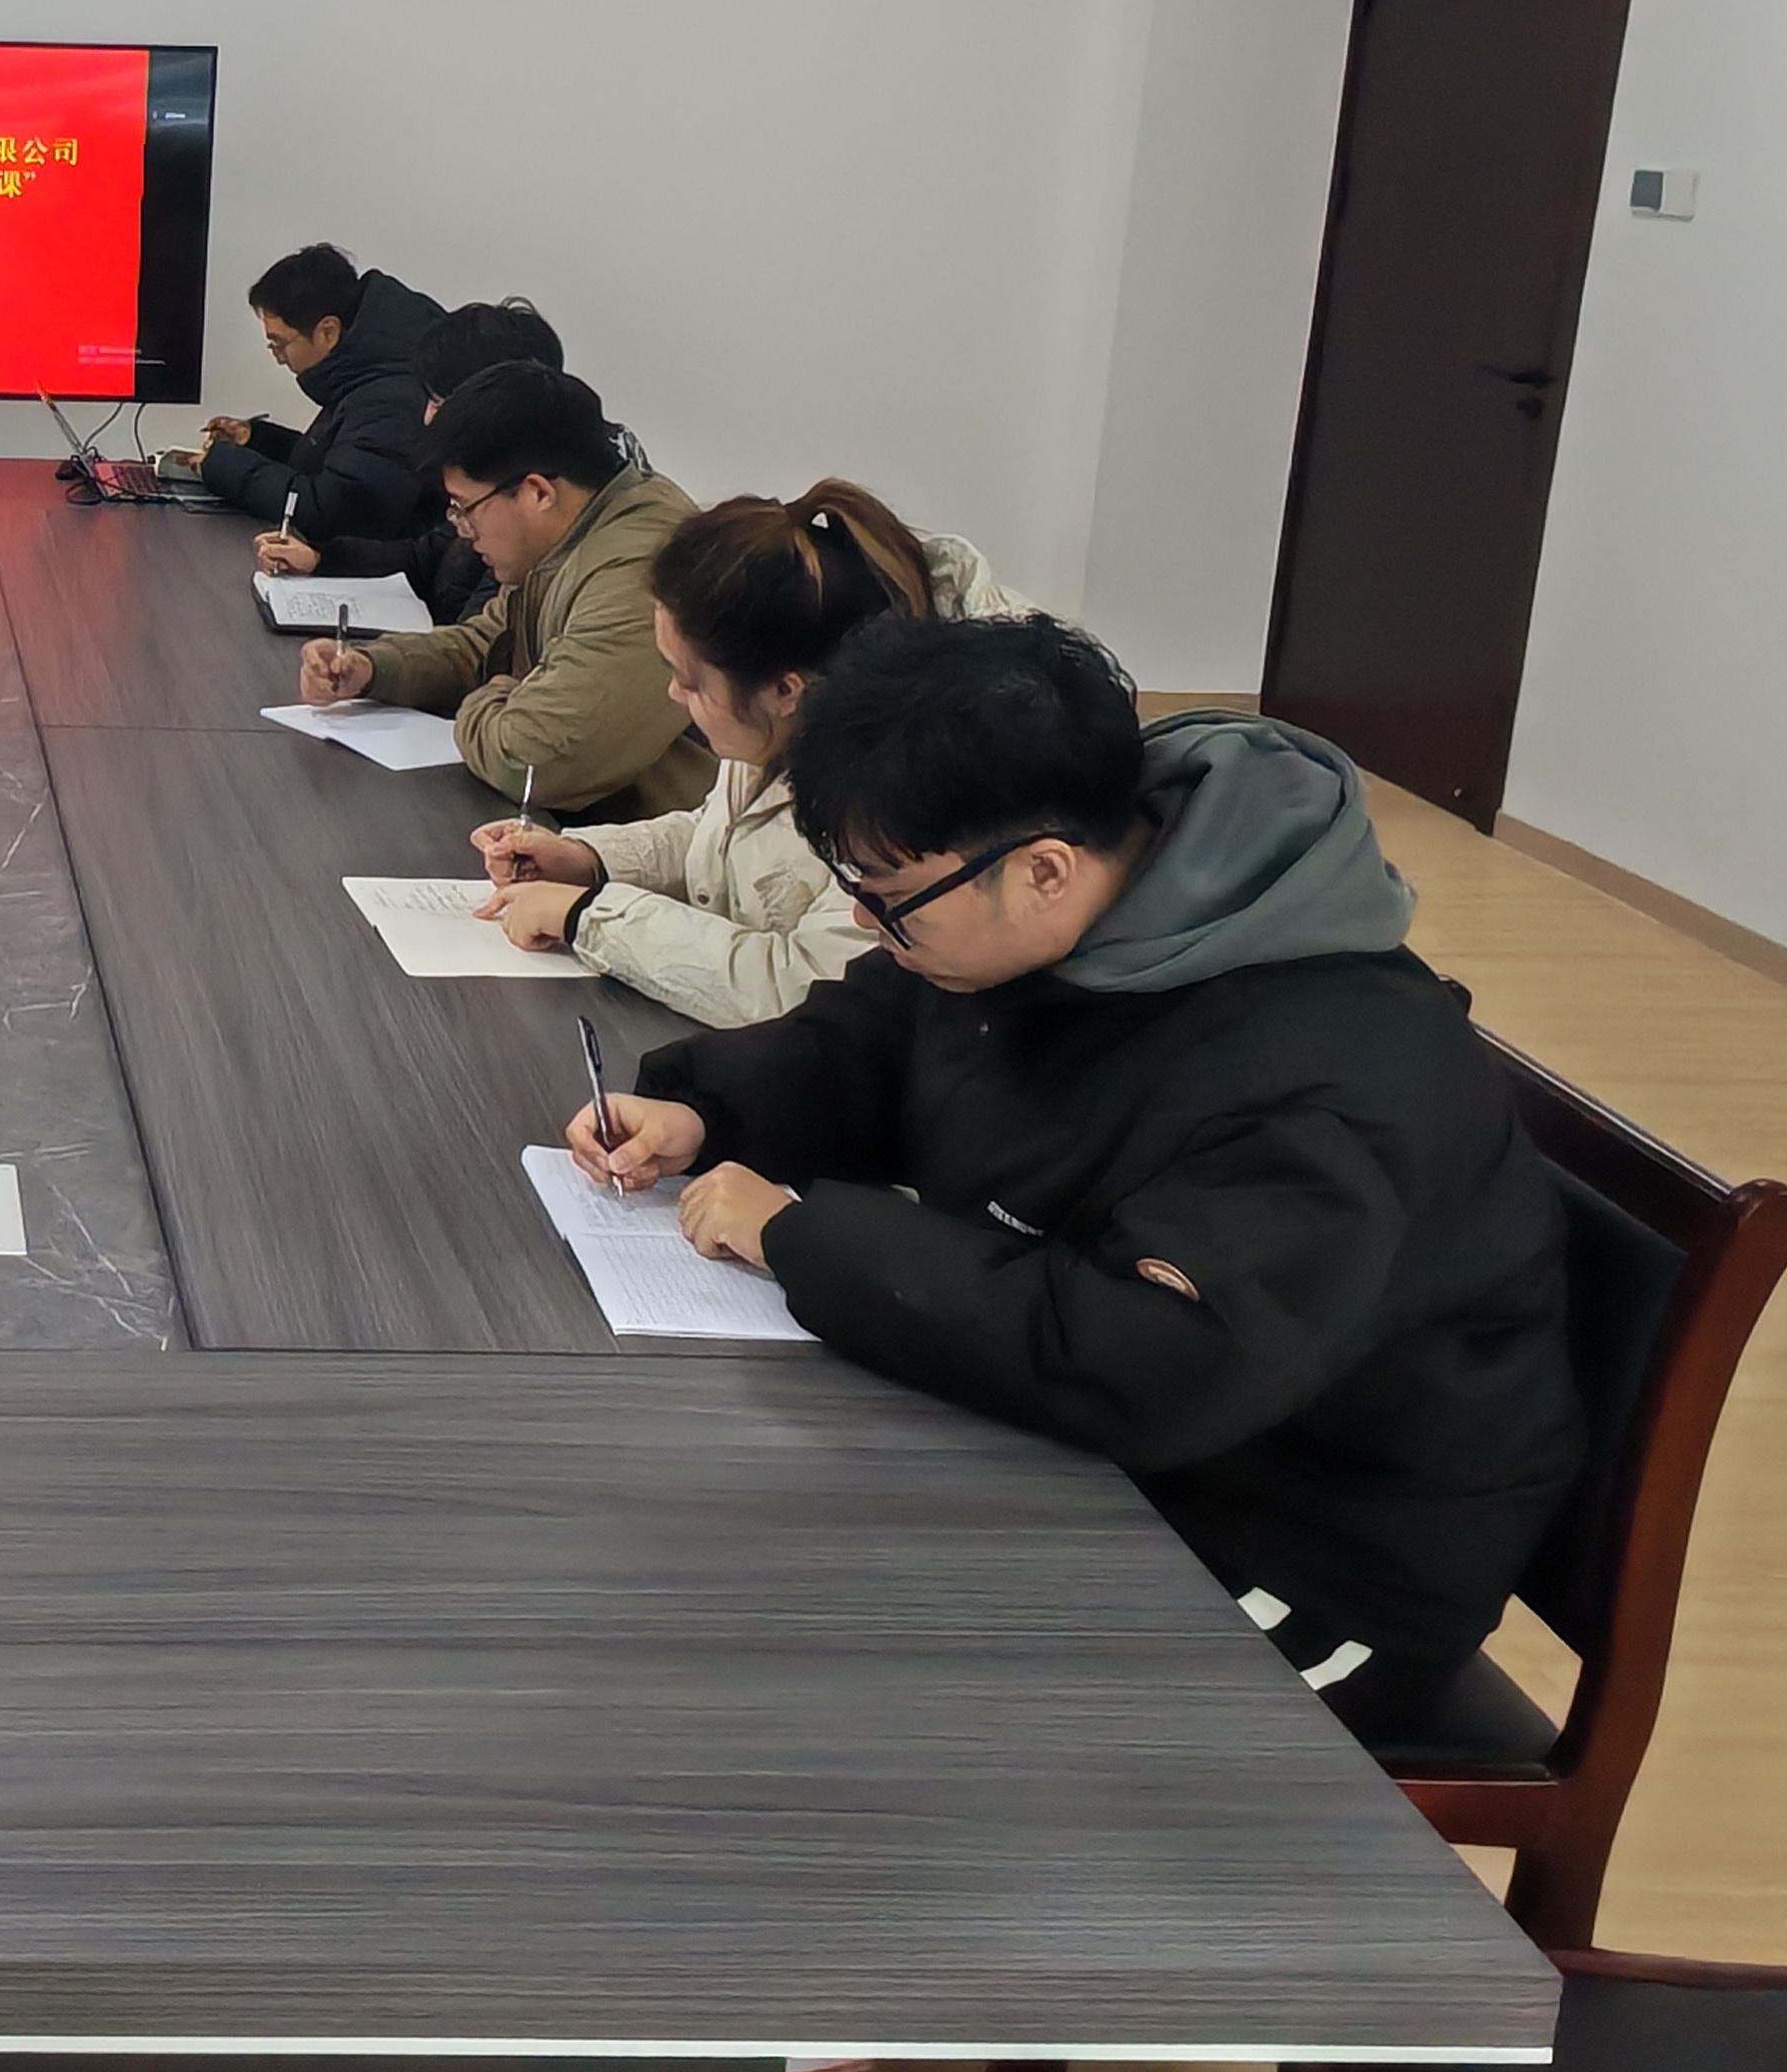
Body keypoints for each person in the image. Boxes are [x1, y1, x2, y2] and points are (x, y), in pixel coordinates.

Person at [577, 614, 1582, 1739]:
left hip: (1302, 1555)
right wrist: (707, 1110)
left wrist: (800, 1235)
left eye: (886, 891)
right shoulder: (1054, 902)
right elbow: (886, 1033)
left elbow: (1150, 1360)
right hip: (1109, 1453)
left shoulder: (1324, 1078)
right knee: (708, 1568)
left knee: (825, 1683)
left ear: (1044, 871)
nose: (864, 917)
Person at [469, 480, 1024, 1025]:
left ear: (785, 690)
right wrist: (590, 859)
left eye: (690, 682)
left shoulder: (912, 800)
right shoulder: (781, 721)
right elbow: (718, 841)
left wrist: (587, 917)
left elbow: (802, 987)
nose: (673, 694)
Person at [296, 364, 709, 819]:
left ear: (536, 493)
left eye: (464, 508)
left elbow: (533, 762)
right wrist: (373, 667)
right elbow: (486, 644)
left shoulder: (642, 570)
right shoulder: (572, 534)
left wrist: (494, 697)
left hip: (635, 844)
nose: (463, 530)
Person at [253, 300, 570, 624]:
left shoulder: (529, 535)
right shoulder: (485, 485)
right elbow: (425, 558)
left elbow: (478, 641)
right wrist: (320, 560)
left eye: (438, 401)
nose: (428, 417)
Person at [176, 242, 446, 540]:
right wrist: (256, 440)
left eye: (280, 344)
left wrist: (223, 467)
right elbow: (336, 464)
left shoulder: (391, 397)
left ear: (328, 331)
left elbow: (331, 512)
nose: (278, 358)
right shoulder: (370, 368)